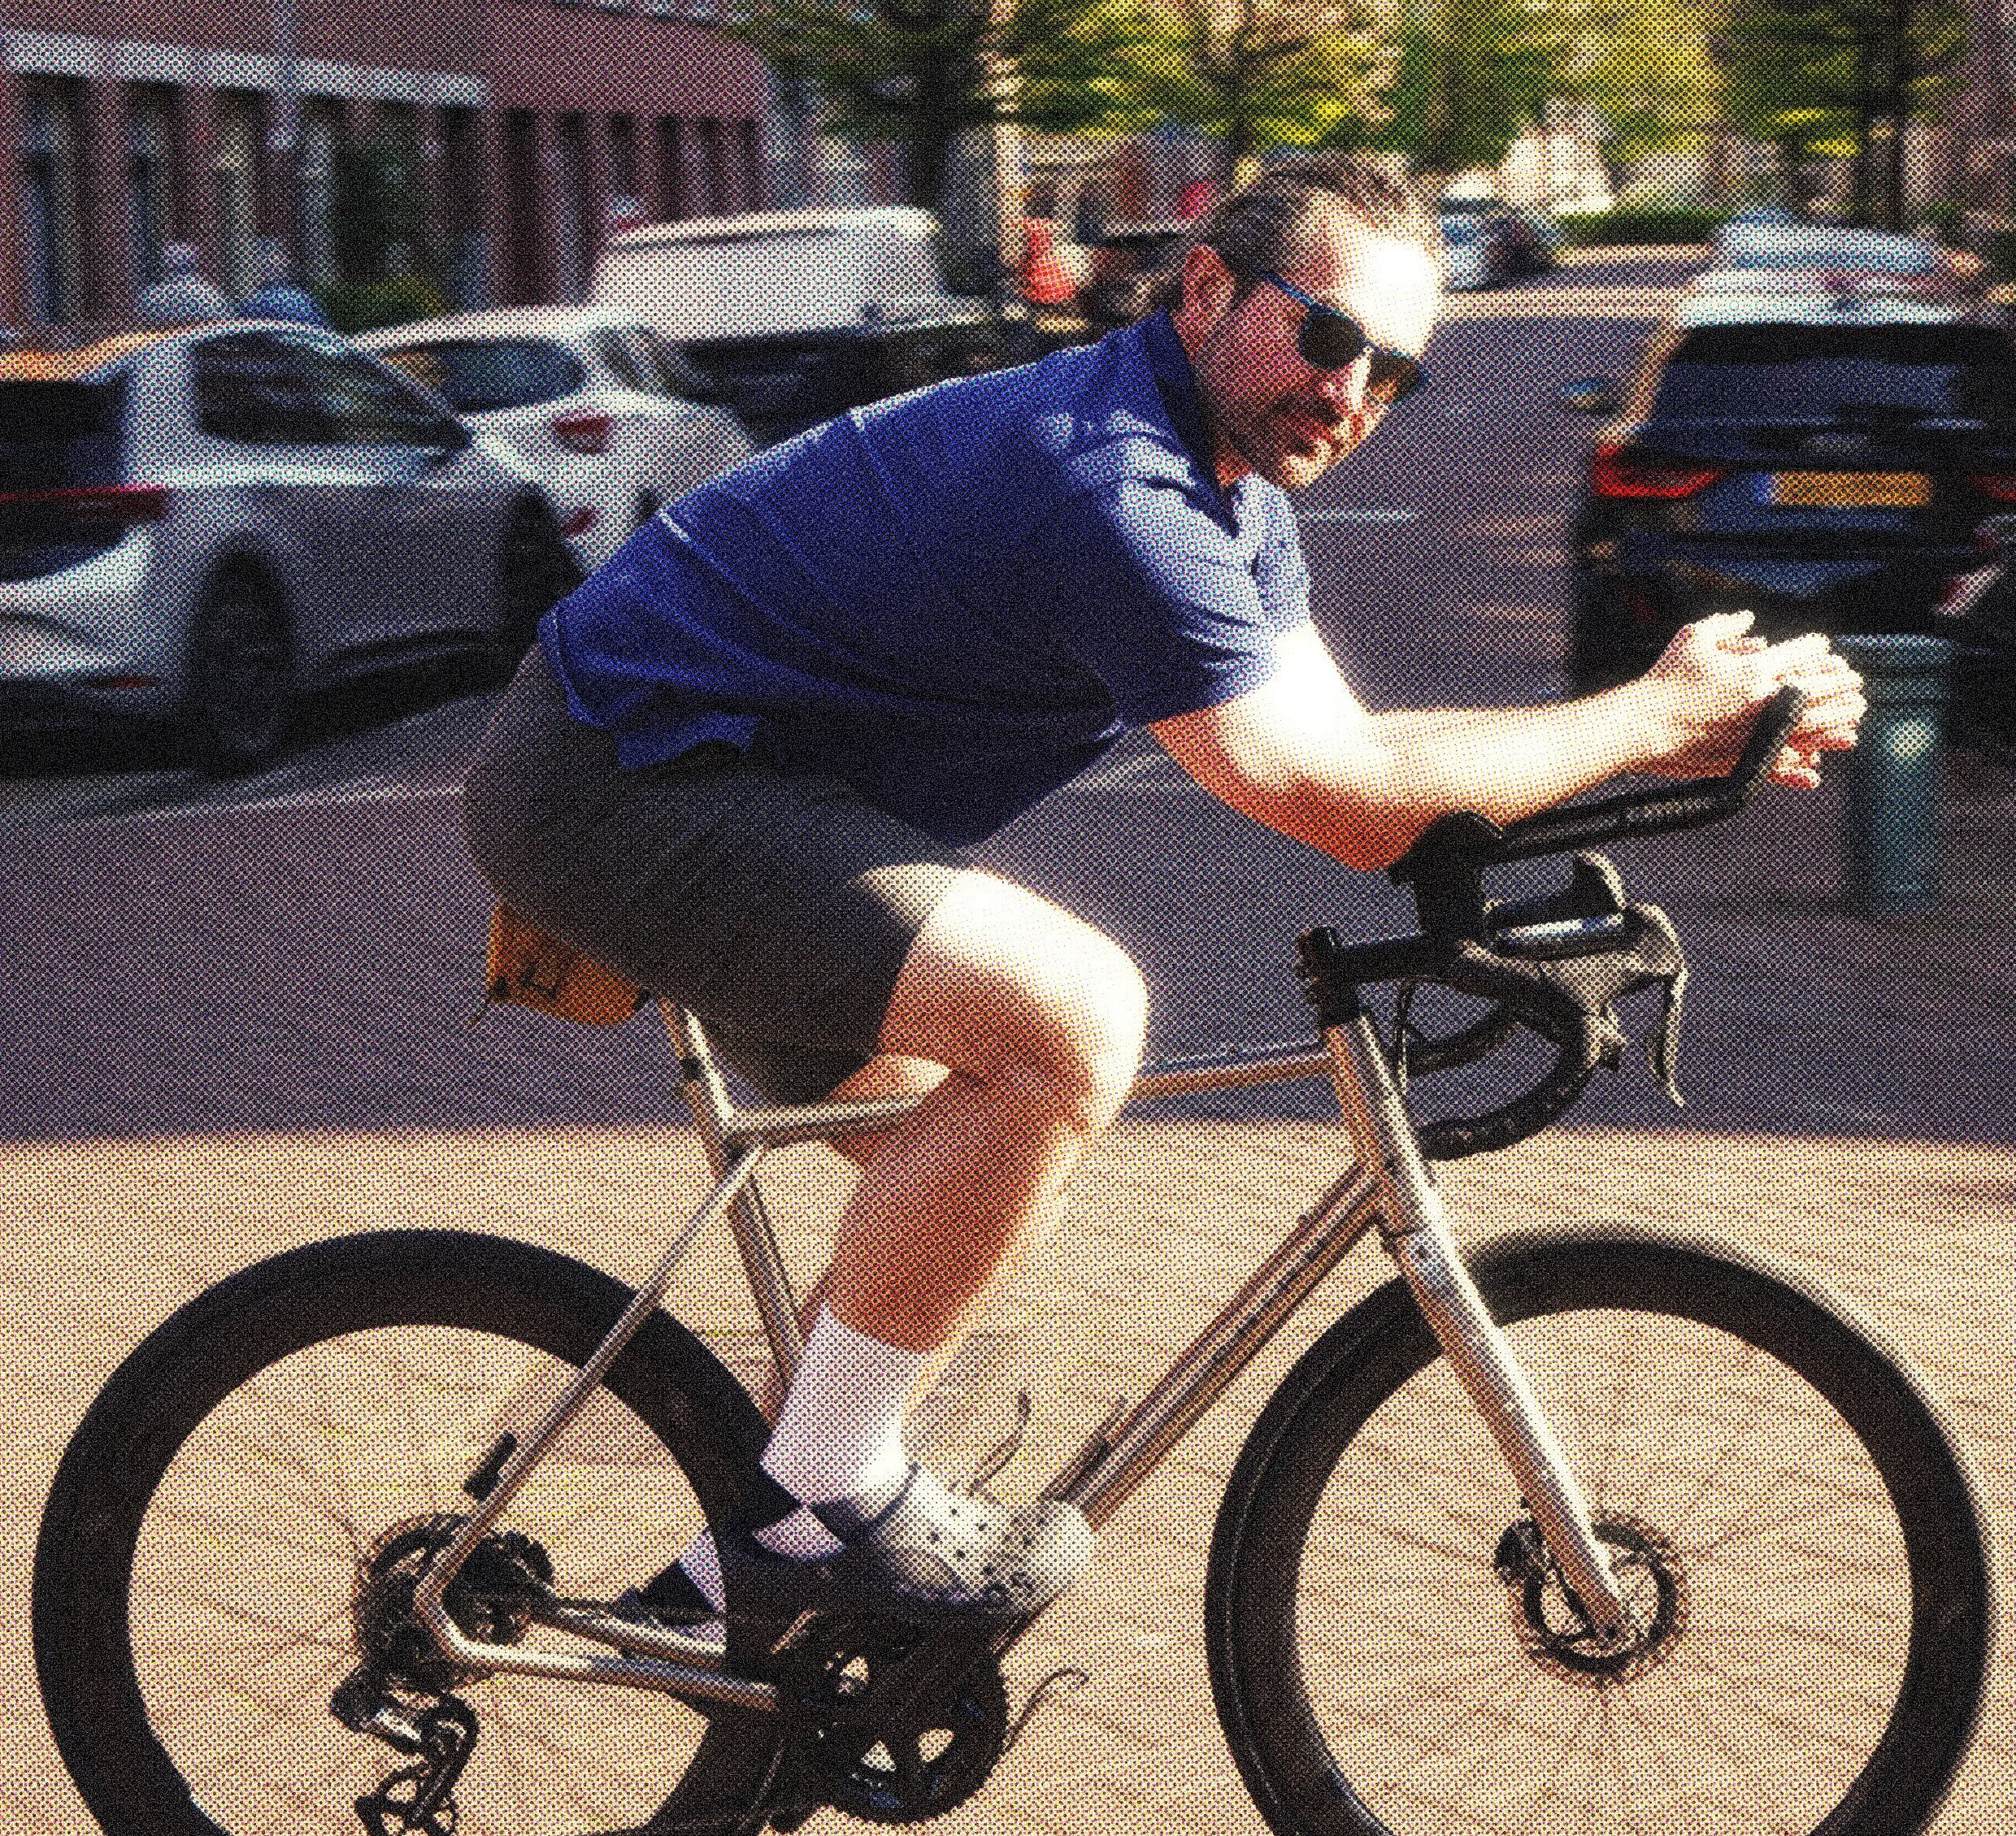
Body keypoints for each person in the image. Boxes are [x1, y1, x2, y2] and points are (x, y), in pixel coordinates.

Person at [463, 153, 1864, 1652]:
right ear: (1206, 289)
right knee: (1073, 1021)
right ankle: (827, 1507)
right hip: (622, 774)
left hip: (752, 796)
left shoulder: (1233, 497)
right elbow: (1324, 802)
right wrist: (1650, 712)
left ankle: (748, 1573)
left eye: (1393, 370)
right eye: (1328, 337)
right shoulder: (1112, 482)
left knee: (963, 1178)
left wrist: (1697, 732)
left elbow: (1370, 757)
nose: (1354, 392)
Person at [134, 240, 229, 323]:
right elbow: (224, 322)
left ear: (164, 265)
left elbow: (138, 321)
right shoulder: (208, 295)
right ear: (195, 263)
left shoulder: (151, 297)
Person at [243, 239, 330, 325]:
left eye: (273, 256)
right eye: (263, 258)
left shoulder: (298, 299)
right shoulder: (256, 299)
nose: (268, 262)